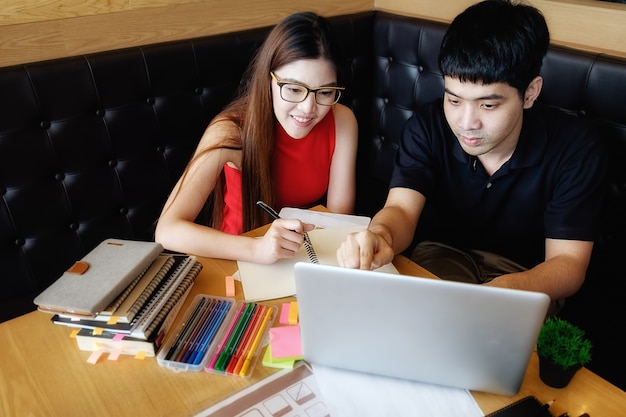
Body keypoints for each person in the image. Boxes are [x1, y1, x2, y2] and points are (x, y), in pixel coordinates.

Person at [336, 0, 606, 313]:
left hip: (527, 277)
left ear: (530, 93)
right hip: (439, 258)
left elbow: (568, 263)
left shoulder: (574, 147)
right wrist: (380, 235)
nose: (466, 123)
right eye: (454, 100)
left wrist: (502, 289)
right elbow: (401, 210)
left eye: (487, 105)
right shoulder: (427, 126)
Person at [155, 12, 358, 264]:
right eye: (294, 89)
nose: (308, 108)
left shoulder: (342, 121)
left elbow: (338, 219)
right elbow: (167, 231)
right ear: (268, 80)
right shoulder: (229, 131)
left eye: (325, 92)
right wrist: (257, 249)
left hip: (297, 256)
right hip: (232, 260)